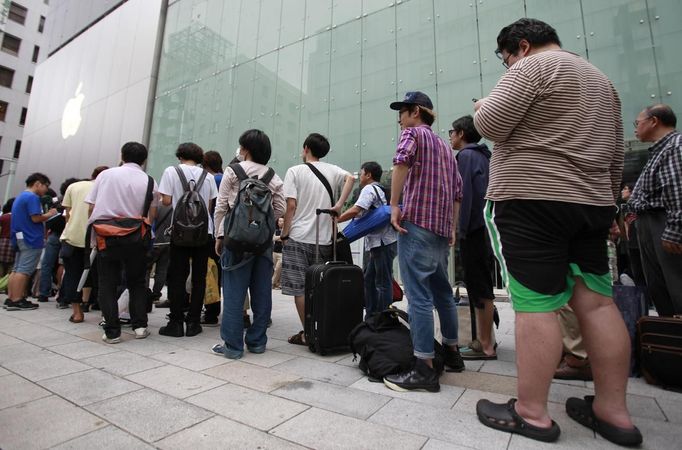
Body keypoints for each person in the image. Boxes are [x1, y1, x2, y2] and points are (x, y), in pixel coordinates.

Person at [473, 18, 641, 445]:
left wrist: (481, 105)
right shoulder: (602, 82)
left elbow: (490, 125)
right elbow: (615, 150)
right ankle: (614, 413)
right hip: (591, 204)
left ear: (521, 46)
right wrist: (611, 206)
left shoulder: (532, 66)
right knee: (599, 306)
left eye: (505, 57)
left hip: (532, 200)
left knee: (536, 306)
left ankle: (531, 413)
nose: (506, 64)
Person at [382, 91, 465, 393]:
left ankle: (424, 368)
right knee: (443, 292)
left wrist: (393, 205)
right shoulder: (446, 146)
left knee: (418, 296)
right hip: (441, 229)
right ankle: (453, 353)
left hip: (417, 224)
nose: (400, 120)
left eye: (402, 112)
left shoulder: (412, 134)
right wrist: (452, 227)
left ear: (416, 112)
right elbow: (458, 191)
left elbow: (400, 163)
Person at [211, 129, 285, 359]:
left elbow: (221, 206)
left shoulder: (233, 171)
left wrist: (219, 235)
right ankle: (257, 342)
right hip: (262, 243)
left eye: (241, 147)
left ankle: (232, 346)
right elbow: (280, 209)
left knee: (234, 292)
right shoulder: (273, 177)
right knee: (262, 292)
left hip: (235, 240)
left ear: (247, 150)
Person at [280, 133, 355, 346]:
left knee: (300, 288)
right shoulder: (332, 170)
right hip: (323, 240)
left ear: (305, 149)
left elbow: (291, 206)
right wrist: (340, 204)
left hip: (299, 236)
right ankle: (321, 328)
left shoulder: (295, 171)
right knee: (319, 287)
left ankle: (309, 333)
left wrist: (285, 233)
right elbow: (351, 178)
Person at [85, 142, 159, 344]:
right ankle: (140, 326)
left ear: (122, 155)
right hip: (136, 237)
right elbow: (151, 214)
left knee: (107, 283)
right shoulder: (150, 181)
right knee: (137, 282)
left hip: (106, 235)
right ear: (144, 160)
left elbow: (91, 208)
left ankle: (112, 331)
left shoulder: (105, 175)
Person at [449, 115, 497, 360]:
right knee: (481, 285)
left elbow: (464, 196)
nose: (450, 137)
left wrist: (458, 230)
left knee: (479, 286)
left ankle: (485, 344)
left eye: (451, 132)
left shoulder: (466, 157)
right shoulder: (483, 155)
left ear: (461, 133)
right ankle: (484, 340)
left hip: (475, 229)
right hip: (485, 227)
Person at [158, 142, 218, 338]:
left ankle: (175, 322)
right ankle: (193, 323)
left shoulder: (171, 171)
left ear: (180, 156)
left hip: (180, 231)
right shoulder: (207, 176)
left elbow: (166, 201)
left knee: (177, 276)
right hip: (204, 231)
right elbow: (208, 206)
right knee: (199, 277)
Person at [628, 104, 682, 316]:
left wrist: (675, 229)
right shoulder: (660, 150)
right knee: (661, 288)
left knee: (675, 285)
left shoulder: (674, 147)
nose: (635, 128)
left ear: (654, 121)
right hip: (651, 224)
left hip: (663, 223)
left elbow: (677, 189)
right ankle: (671, 339)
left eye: (638, 122)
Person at [337, 161, 397, 315]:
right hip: (381, 242)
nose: (360, 175)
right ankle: (371, 314)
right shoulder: (380, 189)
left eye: (362, 172)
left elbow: (356, 210)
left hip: (382, 242)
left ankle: (384, 317)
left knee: (383, 282)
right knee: (369, 279)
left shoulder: (369, 188)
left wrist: (336, 219)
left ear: (369, 175)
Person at [60, 167, 108, 323]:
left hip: (72, 237)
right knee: (103, 276)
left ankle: (77, 312)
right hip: (98, 239)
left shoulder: (74, 187)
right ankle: (105, 313)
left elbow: (67, 214)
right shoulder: (106, 188)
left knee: (73, 275)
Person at [4, 173, 58, 311]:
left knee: (16, 269)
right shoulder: (33, 198)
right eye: (46, 186)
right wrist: (50, 214)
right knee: (24, 270)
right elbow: (35, 218)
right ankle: (17, 299)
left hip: (19, 236)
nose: (46, 190)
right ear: (38, 183)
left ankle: (11, 297)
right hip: (31, 237)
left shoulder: (20, 196)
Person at [200, 149, 224, 326]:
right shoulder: (225, 177)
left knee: (211, 273)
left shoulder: (211, 179)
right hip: (229, 234)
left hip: (213, 233)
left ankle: (211, 312)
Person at [0, 198, 16, 278]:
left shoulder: (3, 217)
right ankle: (6, 286)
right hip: (14, 243)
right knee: (11, 267)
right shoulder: (19, 218)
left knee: (1, 266)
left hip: (2, 243)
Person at [272, 217, 284, 289]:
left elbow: (285, 239)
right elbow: (273, 238)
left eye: (282, 221)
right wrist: (281, 237)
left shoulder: (285, 230)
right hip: (274, 251)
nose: (280, 222)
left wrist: (279, 238)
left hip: (282, 253)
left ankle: (272, 283)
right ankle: (277, 284)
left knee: (277, 268)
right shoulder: (275, 230)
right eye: (279, 221)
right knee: (275, 269)